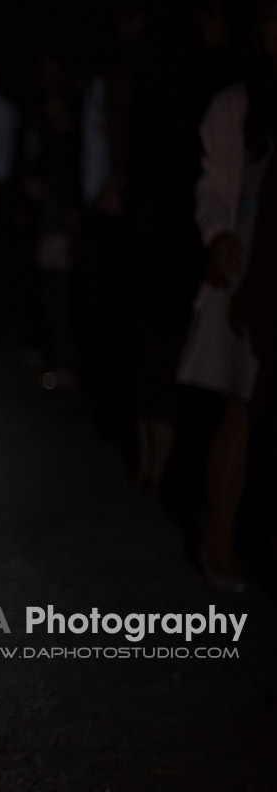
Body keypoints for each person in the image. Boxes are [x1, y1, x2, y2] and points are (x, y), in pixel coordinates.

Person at [176, 0, 277, 591]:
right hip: (252, 264)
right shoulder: (237, 103)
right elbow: (214, 185)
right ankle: (219, 542)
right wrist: (218, 237)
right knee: (240, 406)